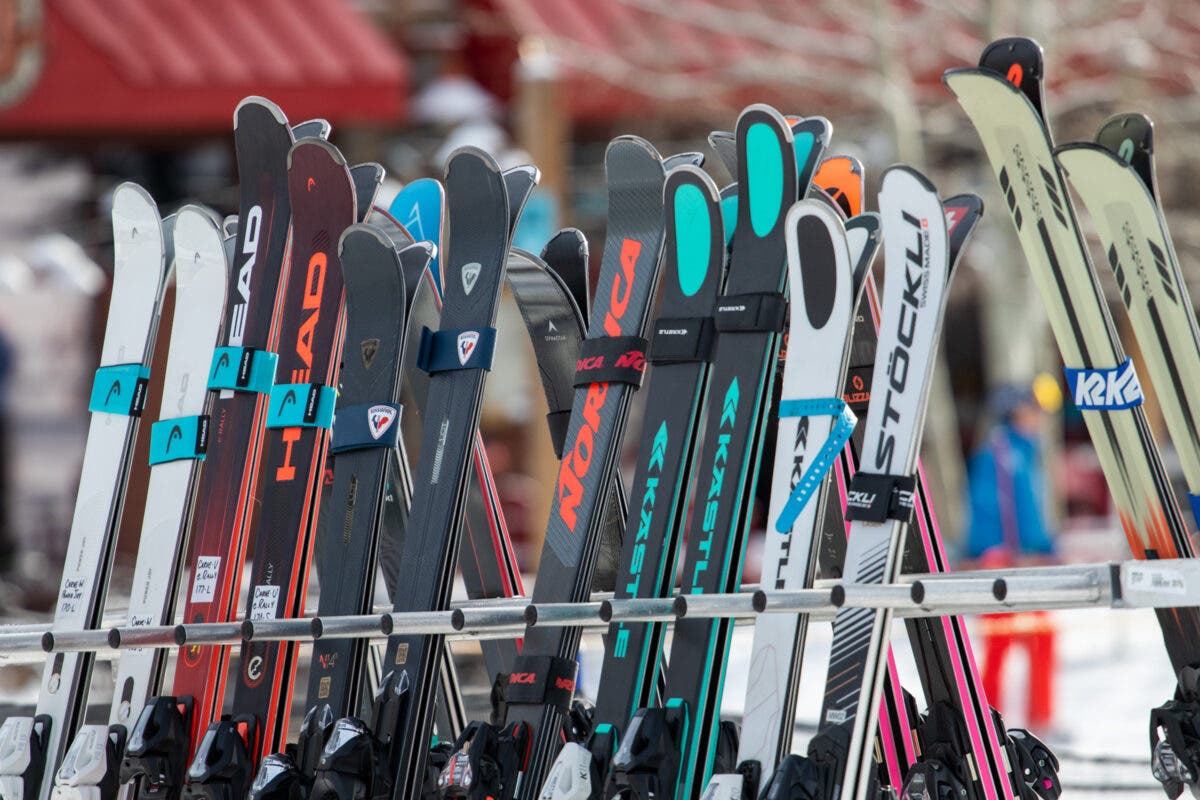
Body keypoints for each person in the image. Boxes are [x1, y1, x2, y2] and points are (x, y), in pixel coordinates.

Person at [964, 379, 1059, 732]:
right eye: (1033, 409)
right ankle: (987, 720)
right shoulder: (998, 453)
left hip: (1030, 559)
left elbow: (1031, 512)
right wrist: (992, 550)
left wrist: (1048, 547)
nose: (1039, 417)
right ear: (1016, 411)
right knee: (1001, 643)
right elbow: (988, 509)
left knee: (1042, 638)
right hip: (1005, 560)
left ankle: (1041, 718)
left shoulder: (1027, 452)